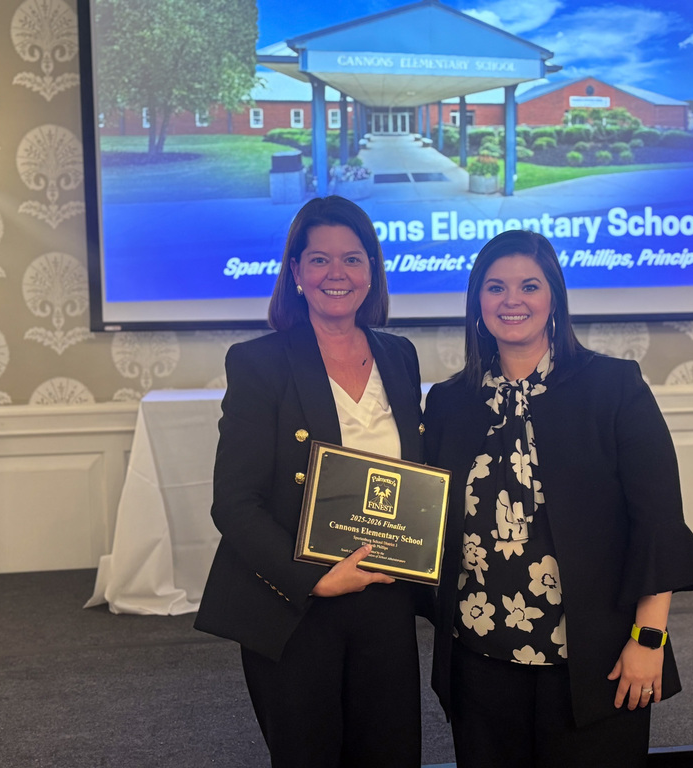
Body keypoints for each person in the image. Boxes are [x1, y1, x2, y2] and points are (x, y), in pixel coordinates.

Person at [423, 230, 693, 767]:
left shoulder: (614, 387)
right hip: (480, 662)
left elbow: (657, 522)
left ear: (553, 296)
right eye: (495, 288)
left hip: (594, 661)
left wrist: (648, 639)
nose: (512, 301)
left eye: (529, 286)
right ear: (477, 302)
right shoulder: (448, 403)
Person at [194, 196, 427, 767]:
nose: (336, 274)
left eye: (352, 259)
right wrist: (315, 579)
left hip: (386, 598)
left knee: (391, 753)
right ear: (295, 272)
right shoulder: (258, 363)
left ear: (372, 271)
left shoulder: (399, 355)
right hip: (298, 605)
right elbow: (235, 502)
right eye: (319, 260)